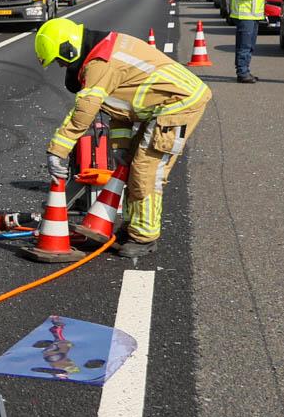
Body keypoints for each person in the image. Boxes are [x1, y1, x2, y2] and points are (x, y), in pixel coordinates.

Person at [33, 18, 208, 256]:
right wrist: (121, 147)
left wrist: (57, 151)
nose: (62, 67)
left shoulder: (100, 64)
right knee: (131, 167)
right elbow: (120, 109)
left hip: (178, 105)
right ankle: (131, 227)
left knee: (146, 171)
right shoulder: (103, 50)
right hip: (159, 107)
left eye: (60, 61)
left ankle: (144, 237)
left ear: (69, 49)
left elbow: (85, 110)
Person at [231, 0, 271, 83]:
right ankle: (242, 73)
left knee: (249, 46)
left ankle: (245, 71)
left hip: (253, 16)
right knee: (244, 46)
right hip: (245, 16)